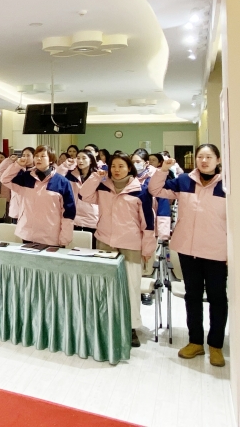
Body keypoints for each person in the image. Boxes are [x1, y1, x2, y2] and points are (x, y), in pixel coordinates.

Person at [149, 144, 227, 367]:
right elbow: (156, 190)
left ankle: (216, 345)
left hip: (216, 250)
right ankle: (195, 342)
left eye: (209, 157)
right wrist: (163, 169)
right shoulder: (184, 181)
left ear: (218, 160)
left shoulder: (226, 184)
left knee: (217, 298)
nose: (204, 161)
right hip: (188, 250)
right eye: (200, 156)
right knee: (192, 296)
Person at [80, 152, 156, 348]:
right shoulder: (103, 186)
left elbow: (148, 223)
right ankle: (106, 323)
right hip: (105, 242)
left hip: (131, 245)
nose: (116, 170)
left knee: (130, 287)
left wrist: (147, 249)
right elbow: (84, 195)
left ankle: (131, 327)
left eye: (121, 166)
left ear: (129, 168)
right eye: (113, 166)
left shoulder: (140, 190)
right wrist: (96, 176)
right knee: (106, 285)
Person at [0, 145, 76, 246]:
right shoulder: (26, 177)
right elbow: (5, 179)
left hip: (50, 235)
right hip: (28, 234)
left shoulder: (61, 182)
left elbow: (68, 212)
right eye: (36, 156)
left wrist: (65, 238)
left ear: (51, 160)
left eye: (43, 156)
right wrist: (17, 165)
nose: (38, 158)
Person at [57, 150, 99, 247]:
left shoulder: (97, 176)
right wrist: (65, 165)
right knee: (72, 248)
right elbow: (57, 178)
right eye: (78, 158)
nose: (80, 161)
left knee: (90, 248)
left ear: (91, 160)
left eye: (84, 158)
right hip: (74, 217)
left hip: (91, 218)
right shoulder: (70, 174)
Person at [131, 148, 172, 238]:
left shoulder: (156, 177)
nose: (134, 165)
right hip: (132, 223)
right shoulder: (129, 177)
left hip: (151, 222)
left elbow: (163, 204)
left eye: (138, 162)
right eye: (132, 162)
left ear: (146, 163)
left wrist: (163, 233)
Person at [0, 147, 35, 223]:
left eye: (28, 155)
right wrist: (10, 160)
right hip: (17, 208)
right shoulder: (16, 169)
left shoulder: (37, 171)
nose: (25, 158)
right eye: (23, 155)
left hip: (31, 209)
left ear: (34, 157)